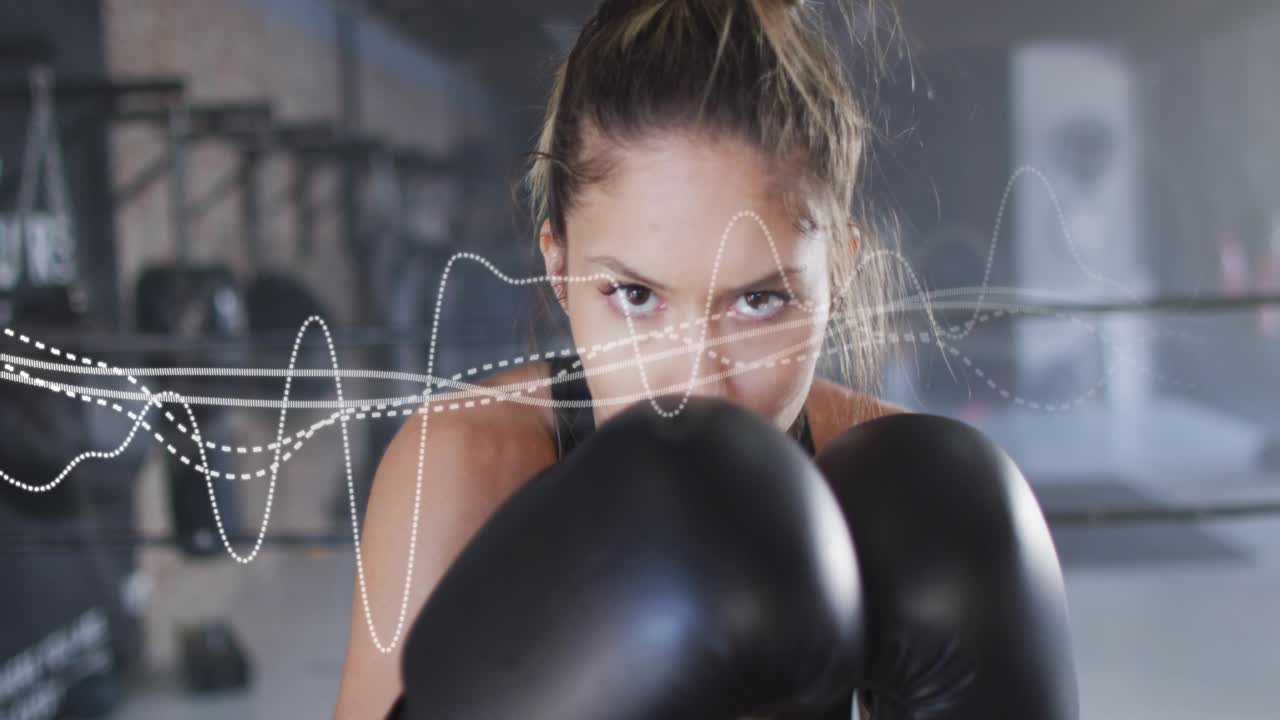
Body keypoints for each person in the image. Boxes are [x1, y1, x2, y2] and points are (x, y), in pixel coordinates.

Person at [334, 1, 914, 716]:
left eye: (759, 300)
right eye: (636, 296)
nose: (697, 385)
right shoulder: (462, 469)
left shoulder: (894, 489)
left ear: (840, 273)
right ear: (559, 268)